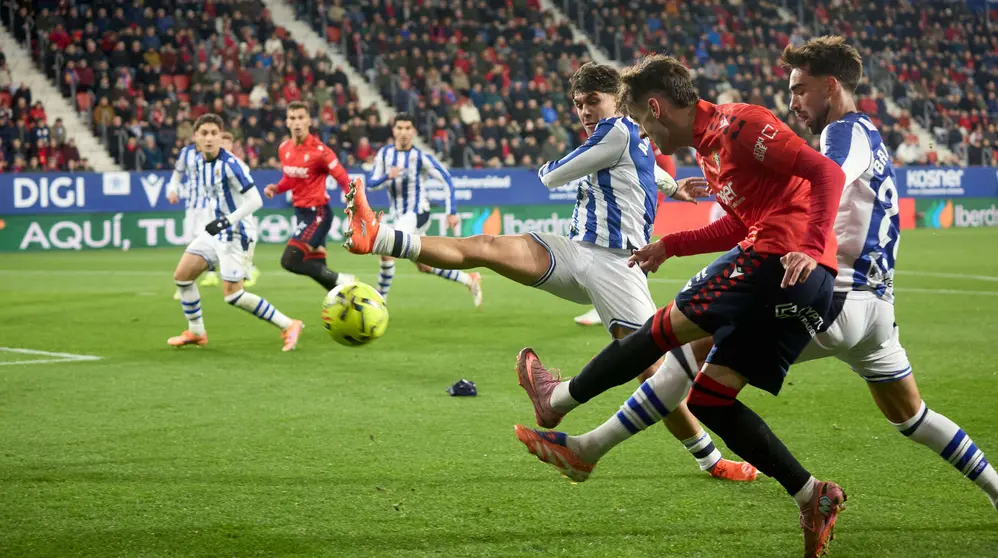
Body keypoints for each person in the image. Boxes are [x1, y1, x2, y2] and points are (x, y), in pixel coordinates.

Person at [634, 36, 998, 512]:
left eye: (800, 90)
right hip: (877, 309)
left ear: (831, 86)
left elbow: (826, 178)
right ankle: (996, 488)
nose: (792, 103)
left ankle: (590, 444)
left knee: (693, 350)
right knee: (912, 416)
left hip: (835, 301)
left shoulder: (842, 134)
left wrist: (791, 231)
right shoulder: (870, 134)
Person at [344, 63, 756, 482]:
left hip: (617, 266)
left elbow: (551, 176)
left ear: (618, 100)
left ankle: (709, 459)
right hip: (577, 253)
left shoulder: (618, 132)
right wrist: (672, 186)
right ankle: (378, 236)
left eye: (593, 101)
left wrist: (667, 186)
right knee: (486, 246)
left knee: (654, 372)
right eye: (578, 104)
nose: (585, 110)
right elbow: (639, 159)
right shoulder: (627, 133)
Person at [511, 54, 850, 557]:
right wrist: (671, 245)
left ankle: (557, 399)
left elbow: (826, 173)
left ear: (655, 108)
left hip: (777, 264)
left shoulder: (741, 125)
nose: (645, 136)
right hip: (797, 285)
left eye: (642, 122)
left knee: (656, 333)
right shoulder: (709, 152)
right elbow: (740, 223)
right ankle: (811, 494)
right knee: (711, 399)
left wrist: (812, 244)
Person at [168, 113, 303, 351]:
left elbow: (255, 200)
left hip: (237, 234)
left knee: (233, 295)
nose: (209, 138)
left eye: (214, 133)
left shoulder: (230, 165)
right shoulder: (199, 161)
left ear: (221, 136)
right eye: (204, 133)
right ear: (196, 137)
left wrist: (226, 221)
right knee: (182, 276)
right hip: (216, 232)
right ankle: (196, 332)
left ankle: (289, 324)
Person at [365, 113, 482, 307]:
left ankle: (379, 303)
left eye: (407, 128)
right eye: (400, 128)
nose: (403, 132)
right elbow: (370, 184)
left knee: (387, 248)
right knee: (425, 265)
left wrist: (451, 211)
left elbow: (447, 179)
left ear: (413, 131)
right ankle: (469, 280)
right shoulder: (384, 154)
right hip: (400, 214)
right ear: (394, 130)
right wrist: (387, 176)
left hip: (418, 213)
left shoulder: (420, 157)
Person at [573, 139, 678, 326]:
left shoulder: (643, 138)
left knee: (630, 255)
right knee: (622, 255)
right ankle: (616, 307)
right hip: (626, 201)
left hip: (638, 206)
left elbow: (667, 167)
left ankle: (632, 309)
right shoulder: (626, 136)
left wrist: (656, 200)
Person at [263, 101, 355, 293]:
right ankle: (347, 300)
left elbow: (343, 179)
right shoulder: (284, 148)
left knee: (290, 260)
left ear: (309, 121)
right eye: (292, 118)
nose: (297, 122)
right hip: (301, 213)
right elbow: (291, 178)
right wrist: (277, 188)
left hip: (318, 213)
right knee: (321, 272)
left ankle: (343, 279)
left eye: (301, 118)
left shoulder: (320, 152)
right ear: (287, 122)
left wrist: (355, 206)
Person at [167, 134, 220, 295]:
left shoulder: (214, 152)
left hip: (209, 205)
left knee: (204, 241)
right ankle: (192, 280)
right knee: (189, 242)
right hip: (191, 205)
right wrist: (172, 190)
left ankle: (204, 276)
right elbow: (177, 173)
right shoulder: (186, 152)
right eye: (201, 133)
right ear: (195, 135)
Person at [221, 131, 260, 288]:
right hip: (226, 210)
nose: (223, 145)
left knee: (246, 237)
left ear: (231, 145)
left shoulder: (237, 164)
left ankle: (250, 270)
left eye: (226, 142)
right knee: (229, 244)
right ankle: (244, 270)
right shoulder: (216, 163)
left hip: (241, 207)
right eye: (221, 142)